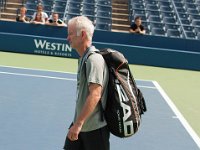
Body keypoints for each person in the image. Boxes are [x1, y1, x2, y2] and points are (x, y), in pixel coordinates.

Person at [63, 16, 110, 150]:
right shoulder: (84, 58)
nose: (68, 38)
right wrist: (77, 123)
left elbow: (95, 95)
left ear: (82, 34)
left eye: (70, 34)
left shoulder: (93, 59)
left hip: (94, 129)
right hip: (81, 125)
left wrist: (78, 124)